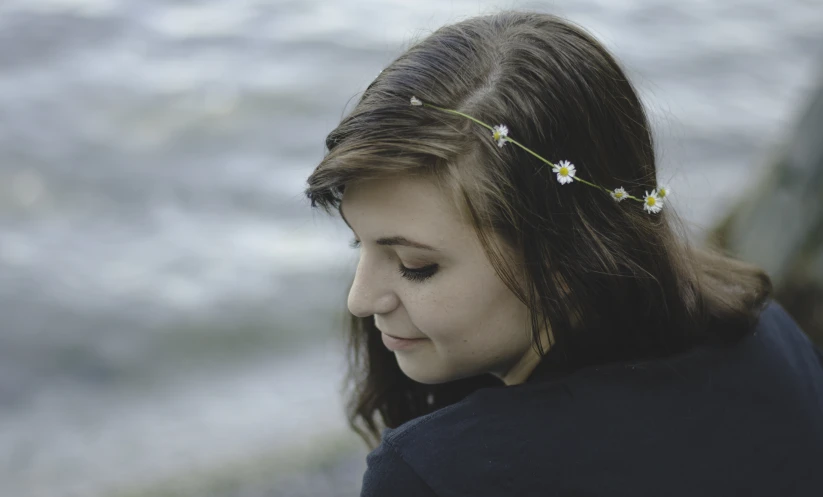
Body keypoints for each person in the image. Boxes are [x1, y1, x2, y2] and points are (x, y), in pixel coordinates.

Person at [303, 10, 823, 497]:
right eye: (360, 243)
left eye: (417, 267)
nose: (360, 298)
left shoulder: (441, 473)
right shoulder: (771, 333)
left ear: (569, 254)